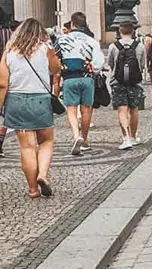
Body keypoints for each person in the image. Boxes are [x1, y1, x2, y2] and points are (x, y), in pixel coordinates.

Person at [0, 18, 61, 198]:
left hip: (16, 101)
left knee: (27, 147)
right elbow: (56, 69)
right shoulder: (45, 49)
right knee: (46, 141)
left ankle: (33, 189)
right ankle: (42, 174)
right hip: (40, 99)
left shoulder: (9, 53)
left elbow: (3, 84)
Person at [55, 11, 104, 156]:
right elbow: (99, 62)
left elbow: (54, 57)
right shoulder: (91, 41)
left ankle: (76, 135)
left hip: (70, 78)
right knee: (86, 109)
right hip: (87, 78)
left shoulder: (62, 40)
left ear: (71, 24)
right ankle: (86, 140)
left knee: (71, 109)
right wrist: (93, 69)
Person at [107, 21, 146, 150]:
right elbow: (142, 65)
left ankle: (126, 138)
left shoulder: (114, 46)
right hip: (135, 82)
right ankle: (134, 137)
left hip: (118, 82)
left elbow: (111, 64)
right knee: (134, 109)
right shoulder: (139, 46)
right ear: (133, 31)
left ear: (120, 31)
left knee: (122, 110)